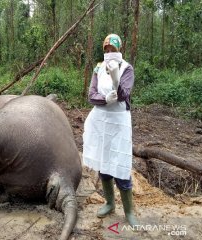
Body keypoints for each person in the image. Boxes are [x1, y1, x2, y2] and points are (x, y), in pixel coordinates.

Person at [82, 34, 138, 226]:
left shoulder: (127, 68)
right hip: (101, 121)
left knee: (121, 165)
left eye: (112, 50)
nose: (109, 53)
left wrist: (115, 79)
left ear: (119, 49)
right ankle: (109, 203)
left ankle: (129, 212)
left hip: (119, 122)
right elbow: (91, 94)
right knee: (104, 164)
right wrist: (104, 99)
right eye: (106, 50)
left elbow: (124, 95)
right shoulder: (98, 68)